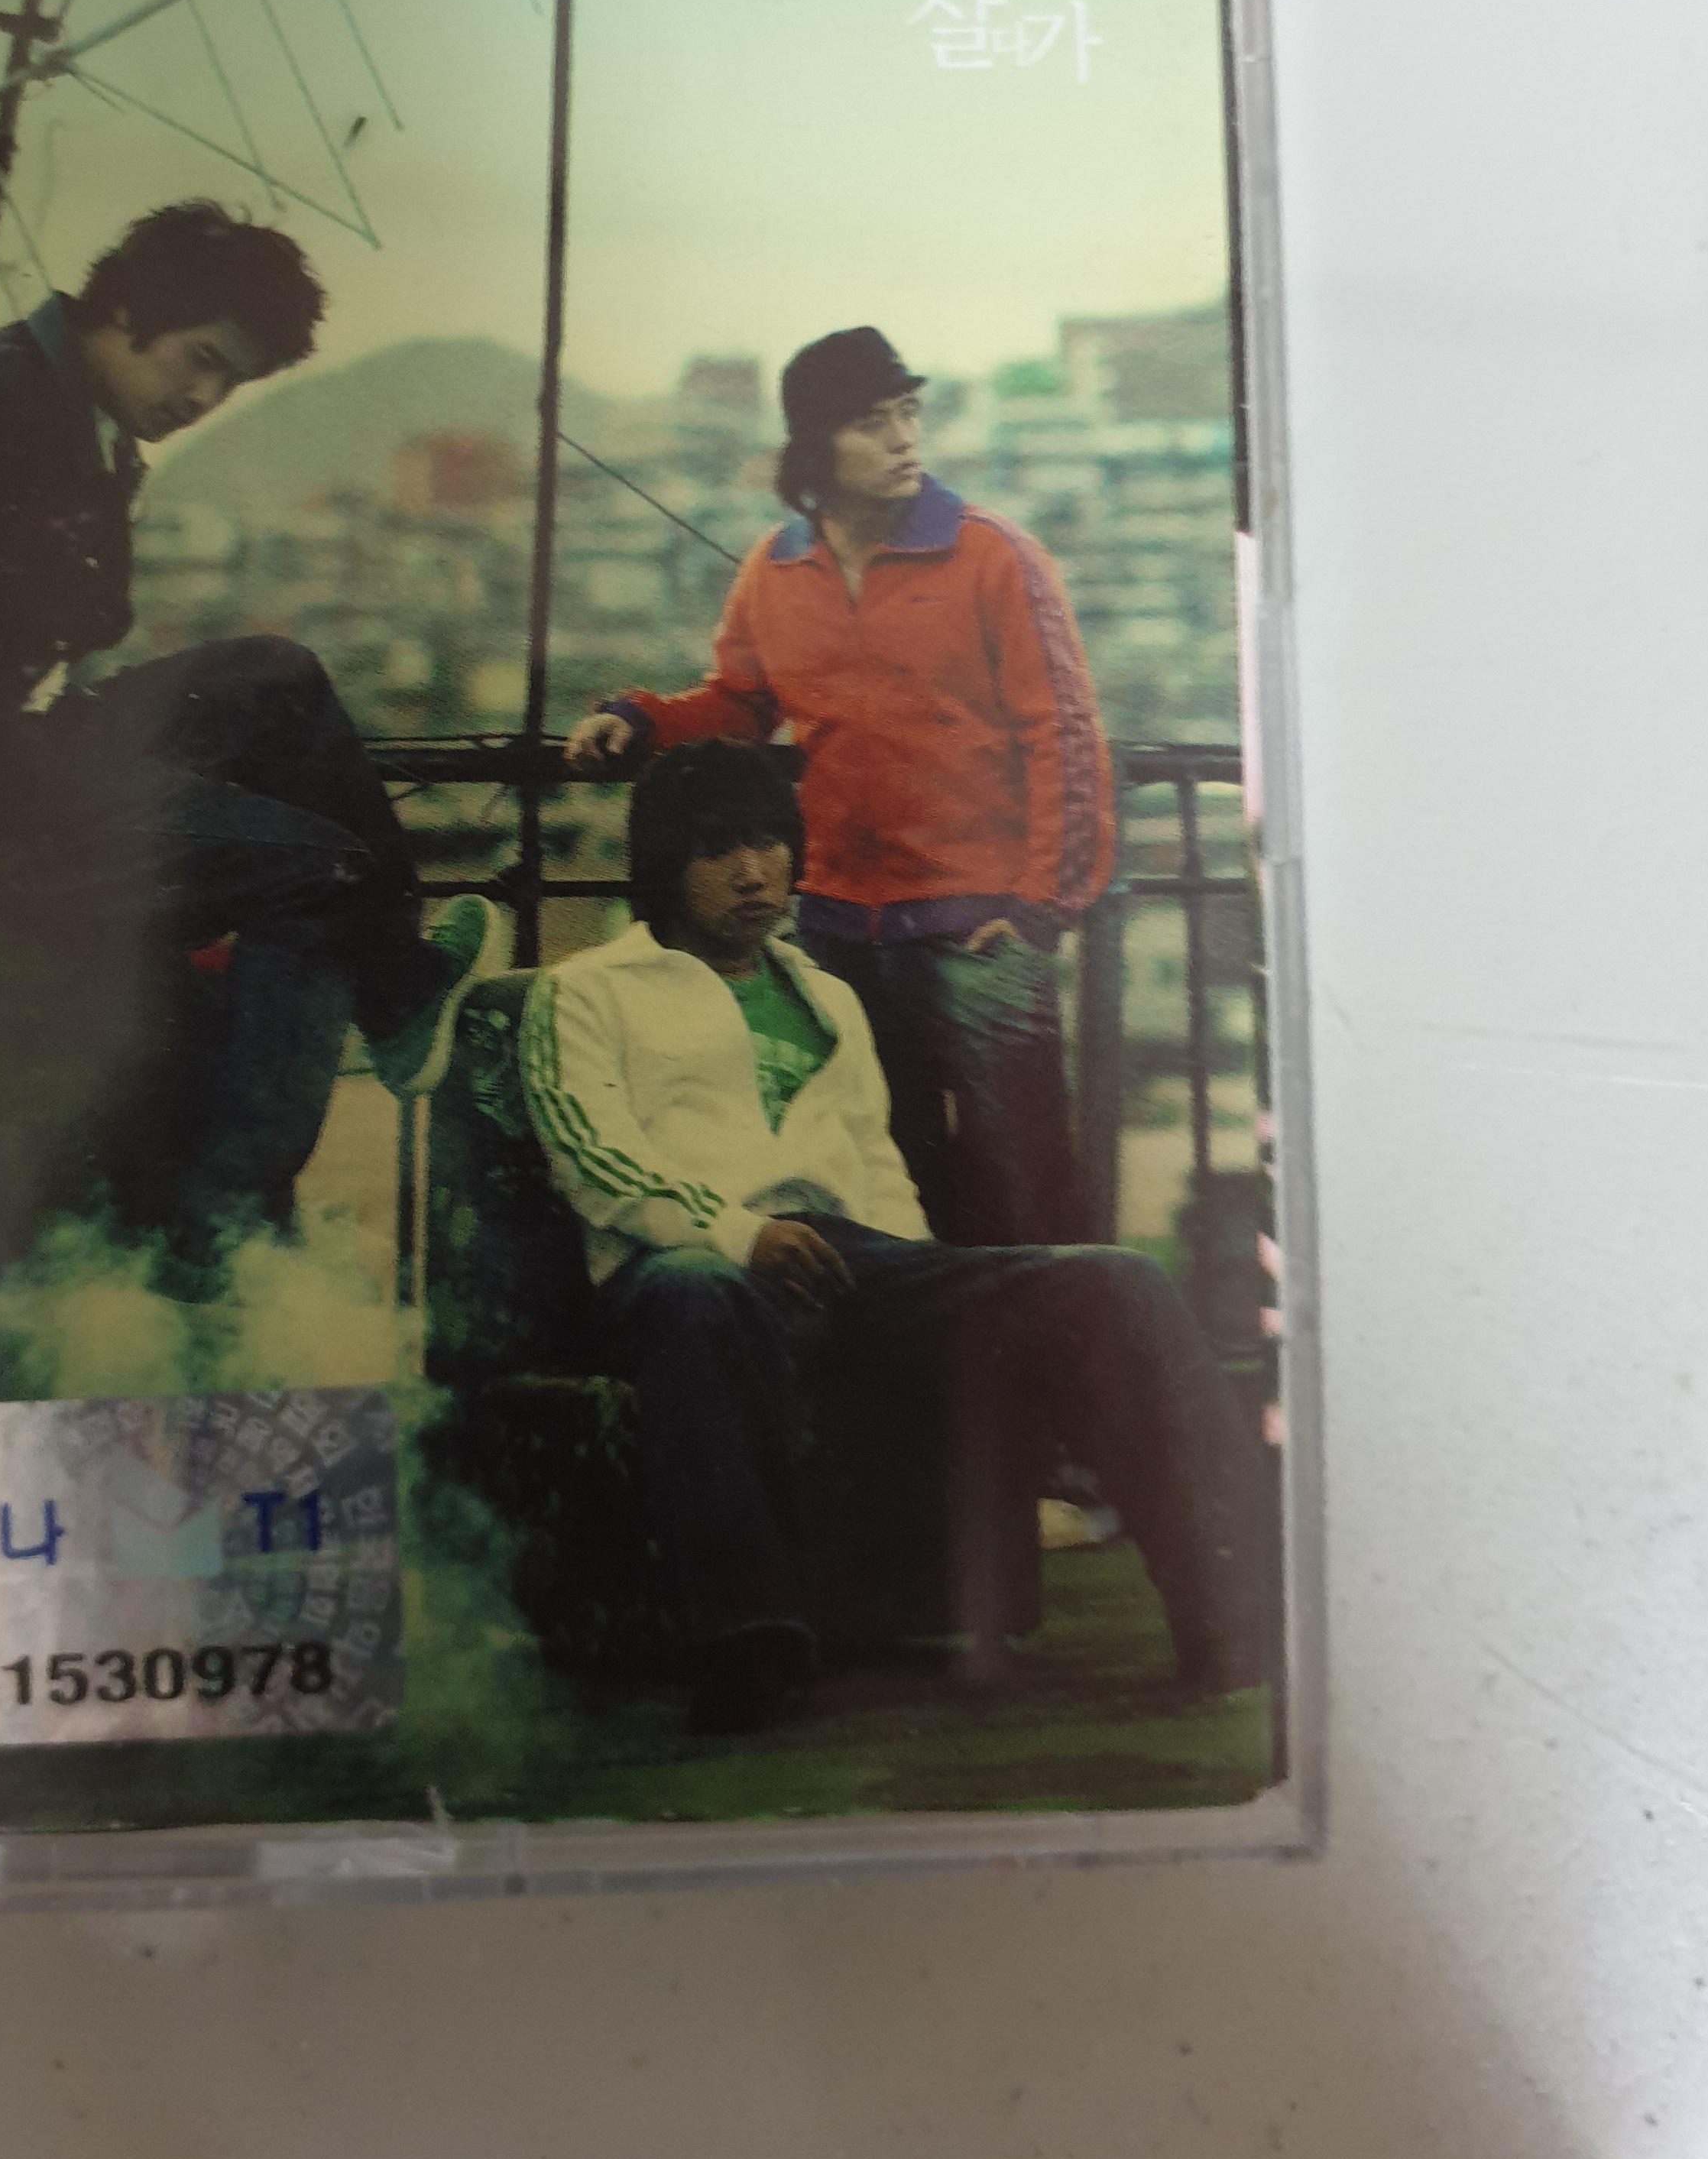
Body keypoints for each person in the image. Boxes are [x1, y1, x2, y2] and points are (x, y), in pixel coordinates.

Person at [519, 741, 1260, 1733]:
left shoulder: (827, 996)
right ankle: (752, 1644)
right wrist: (742, 1235)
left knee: (1114, 1283)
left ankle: (1228, 1610)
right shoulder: (587, 991)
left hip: (851, 1259)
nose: (753, 872)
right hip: (681, 1264)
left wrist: (919, 1279)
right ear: (664, 863)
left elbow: (878, 1166)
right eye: (717, 849)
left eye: (769, 843)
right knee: (698, 1289)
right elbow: (593, 1159)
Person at [0, 198, 504, 1292]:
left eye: (230, 382)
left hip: (23, 742)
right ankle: (226, 1227)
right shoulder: (6, 406)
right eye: (203, 362)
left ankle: (401, 993)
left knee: (278, 680)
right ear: (133, 309)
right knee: (319, 871)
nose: (202, 400)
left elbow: (79, 618)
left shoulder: (65, 403)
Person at [566, 325, 1113, 1249]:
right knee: (874, 1184)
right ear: (814, 448)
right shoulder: (775, 568)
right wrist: (644, 721)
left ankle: (1039, 1347)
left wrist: (1039, 911)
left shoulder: (993, 555)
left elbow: (1063, 733)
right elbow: (741, 703)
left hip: (979, 931)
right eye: (871, 422)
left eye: (909, 413)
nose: (904, 439)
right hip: (836, 933)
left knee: (1020, 1194)